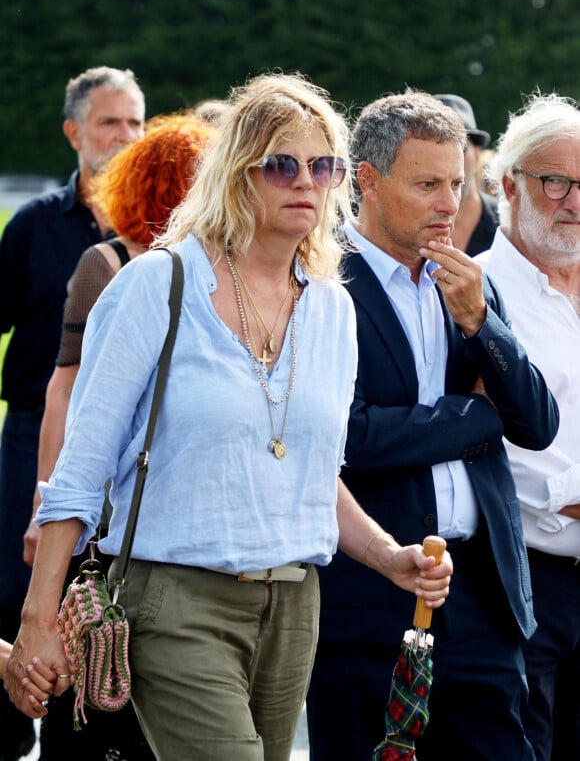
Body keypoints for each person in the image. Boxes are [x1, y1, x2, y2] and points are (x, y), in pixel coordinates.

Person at [5, 72, 453, 761]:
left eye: (323, 165)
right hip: (174, 599)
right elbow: (81, 468)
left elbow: (313, 473)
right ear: (238, 174)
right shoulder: (158, 285)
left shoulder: (333, 306)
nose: (306, 180)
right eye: (282, 164)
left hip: (295, 605)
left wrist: (386, 553)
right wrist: (37, 619)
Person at [306, 88, 560, 761]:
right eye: (427, 184)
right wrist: (477, 416)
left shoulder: (467, 283)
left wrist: (483, 321)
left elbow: (535, 424)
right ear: (368, 180)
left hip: (483, 595)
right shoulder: (322, 285)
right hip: (366, 601)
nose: (450, 203)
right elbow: (348, 438)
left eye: (457, 182)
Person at [20, 111, 214, 761]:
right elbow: (66, 392)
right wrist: (46, 508)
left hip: (168, 515)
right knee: (104, 672)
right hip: (115, 511)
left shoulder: (229, 277)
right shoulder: (112, 267)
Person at [0, 66, 145, 760]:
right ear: (74, 132)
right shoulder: (33, 225)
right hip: (30, 426)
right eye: (109, 122)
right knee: (13, 581)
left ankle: (73, 726)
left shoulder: (159, 234)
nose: (123, 136)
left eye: (134, 122)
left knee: (86, 597)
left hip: (112, 445)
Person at [478, 92, 580, 761]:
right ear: (507, 183)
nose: (574, 200)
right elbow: (476, 431)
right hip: (520, 579)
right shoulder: (474, 290)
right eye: (556, 181)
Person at [433, 93, 499, 255]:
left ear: (477, 154)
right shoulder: (406, 228)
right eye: (434, 152)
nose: (447, 160)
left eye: (460, 147)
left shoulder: (509, 227)